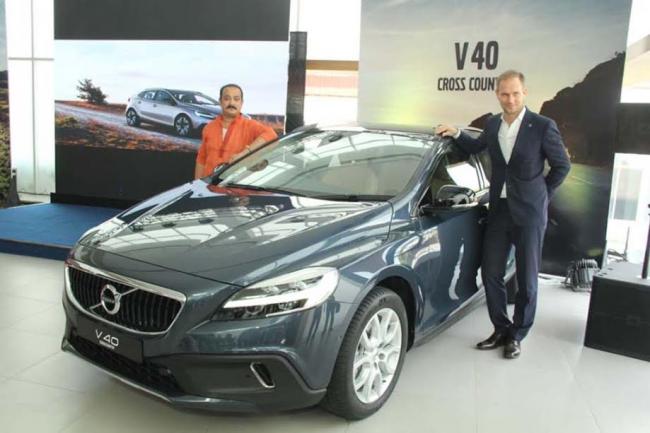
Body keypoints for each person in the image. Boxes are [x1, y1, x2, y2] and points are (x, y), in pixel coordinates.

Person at [435, 70, 570, 359]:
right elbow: (477, 146)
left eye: (515, 93)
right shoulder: (493, 123)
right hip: (500, 210)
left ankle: (517, 335)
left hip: (530, 213)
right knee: (491, 272)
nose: (510, 99)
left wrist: (542, 196)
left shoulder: (543, 126)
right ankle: (501, 328)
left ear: (525, 93)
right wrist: (456, 133)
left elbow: (562, 166)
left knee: (527, 279)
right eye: (505, 94)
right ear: (497, 94)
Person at [194, 84, 277, 179]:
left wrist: (244, 153)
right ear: (220, 101)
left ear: (241, 103)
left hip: (234, 184)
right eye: (227, 99)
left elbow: (272, 135)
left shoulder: (250, 125)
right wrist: (197, 184)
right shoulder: (209, 127)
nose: (231, 103)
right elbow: (201, 159)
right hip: (209, 185)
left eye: (236, 99)